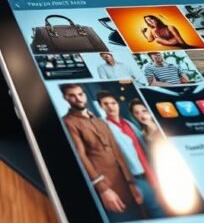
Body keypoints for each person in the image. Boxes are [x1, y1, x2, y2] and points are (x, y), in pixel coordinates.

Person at [60, 84, 143, 221]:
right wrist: (103, 189)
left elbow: (117, 151)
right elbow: (80, 156)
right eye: (72, 96)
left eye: (80, 94)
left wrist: (131, 183)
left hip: (126, 184)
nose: (78, 99)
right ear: (65, 98)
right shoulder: (68, 122)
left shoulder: (100, 121)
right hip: (107, 188)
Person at [97, 90, 166, 219]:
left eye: (113, 103)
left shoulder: (129, 124)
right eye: (105, 104)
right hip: (132, 179)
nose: (110, 106)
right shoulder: (103, 126)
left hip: (149, 175)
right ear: (101, 107)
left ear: (117, 104)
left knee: (160, 212)